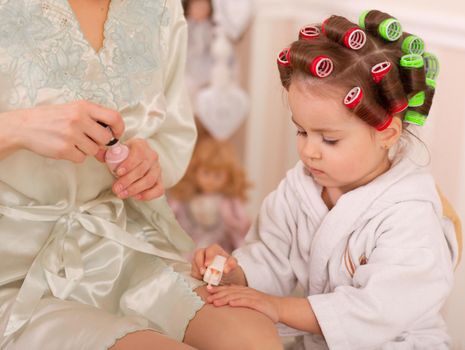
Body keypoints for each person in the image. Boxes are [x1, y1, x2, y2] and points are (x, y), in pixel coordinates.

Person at [0, 1, 282, 349]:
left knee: (252, 339)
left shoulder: (159, 7)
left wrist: (148, 160)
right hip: (13, 267)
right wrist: (16, 128)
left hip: (121, 243)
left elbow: (172, 137)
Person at [192, 11, 460, 350]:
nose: (309, 151)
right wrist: (234, 272)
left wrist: (279, 308)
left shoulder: (410, 218)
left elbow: (375, 310)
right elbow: (272, 257)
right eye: (302, 131)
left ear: (386, 133)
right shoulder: (299, 189)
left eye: (329, 139)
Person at [168, 137, 251, 254]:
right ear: (195, 171)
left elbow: (241, 226)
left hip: (218, 250)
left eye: (217, 175)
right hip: (189, 249)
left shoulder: (228, 202)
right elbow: (170, 217)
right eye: (206, 173)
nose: (210, 180)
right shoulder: (186, 200)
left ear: (228, 176)